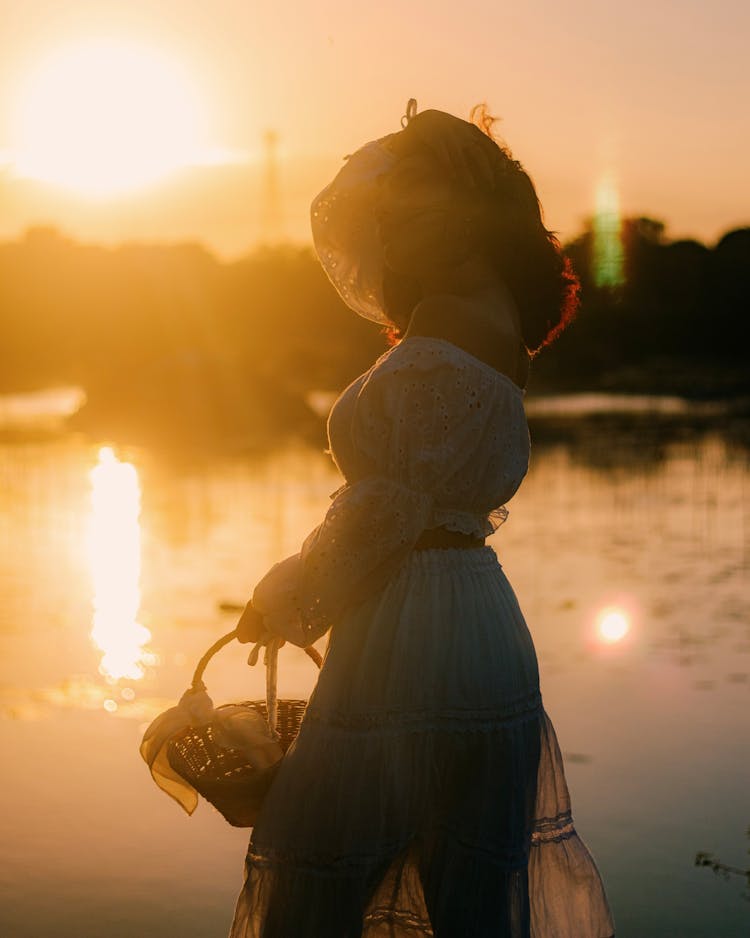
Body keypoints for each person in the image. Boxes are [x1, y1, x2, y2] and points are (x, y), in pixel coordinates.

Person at [228, 101, 615, 938]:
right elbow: (407, 499)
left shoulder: (447, 316)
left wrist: (291, 591)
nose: (385, 228)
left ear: (451, 207)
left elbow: (386, 508)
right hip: (477, 614)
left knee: (312, 888)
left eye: (401, 205)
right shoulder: (499, 314)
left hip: (413, 626)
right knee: (472, 893)